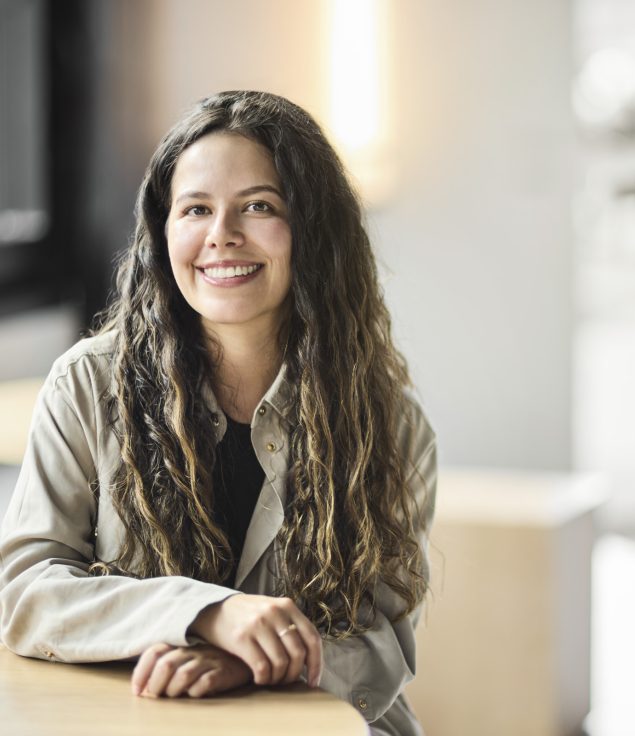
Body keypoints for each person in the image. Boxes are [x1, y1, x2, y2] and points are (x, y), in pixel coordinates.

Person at [0, 90, 436, 736]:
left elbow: (383, 642)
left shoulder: (390, 422)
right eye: (196, 209)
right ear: (164, 232)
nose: (222, 235)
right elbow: (27, 594)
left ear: (312, 231)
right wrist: (209, 614)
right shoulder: (87, 387)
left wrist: (254, 666)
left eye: (259, 206)